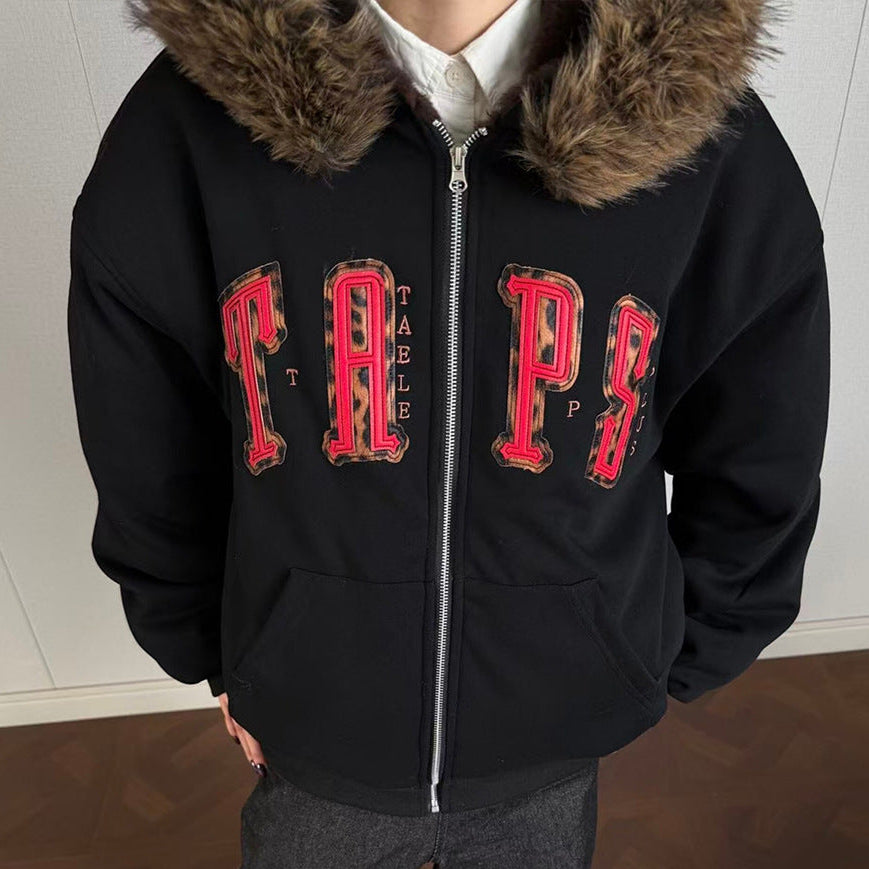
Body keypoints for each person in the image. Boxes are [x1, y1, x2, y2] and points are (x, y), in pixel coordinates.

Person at [66, 0, 830, 866]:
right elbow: (149, 439)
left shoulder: (693, 124)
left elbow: (759, 422)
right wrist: (215, 646)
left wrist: (654, 651)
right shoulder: (194, 121)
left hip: (553, 735)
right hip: (314, 736)